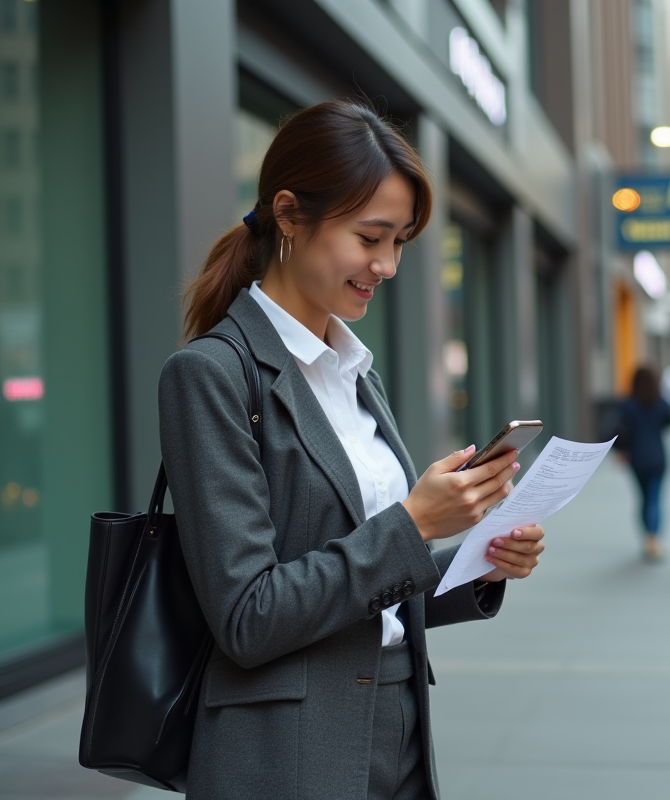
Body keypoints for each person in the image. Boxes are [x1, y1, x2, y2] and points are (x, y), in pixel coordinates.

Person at [159, 100, 544, 800]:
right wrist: (415, 521)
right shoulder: (210, 375)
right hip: (285, 757)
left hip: (396, 730)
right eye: (371, 237)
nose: (388, 265)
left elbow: (375, 585)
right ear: (288, 215)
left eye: (401, 241)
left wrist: (482, 561)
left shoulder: (354, 373)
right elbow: (249, 616)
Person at [614, 366, 670, 560]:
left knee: (644, 500)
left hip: (637, 458)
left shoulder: (628, 405)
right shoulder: (661, 403)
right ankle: (654, 538)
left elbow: (620, 429)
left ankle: (648, 538)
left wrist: (622, 450)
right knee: (655, 499)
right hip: (658, 457)